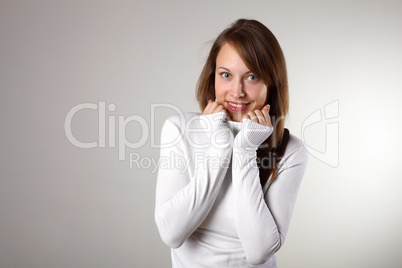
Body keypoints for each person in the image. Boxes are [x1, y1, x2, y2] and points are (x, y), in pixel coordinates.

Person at [155, 19, 309, 267]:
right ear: (212, 77)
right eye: (226, 75)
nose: (237, 91)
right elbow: (171, 233)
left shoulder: (291, 151)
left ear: (272, 84)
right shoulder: (179, 129)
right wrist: (218, 145)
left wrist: (245, 149)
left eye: (252, 77)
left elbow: (259, 251)